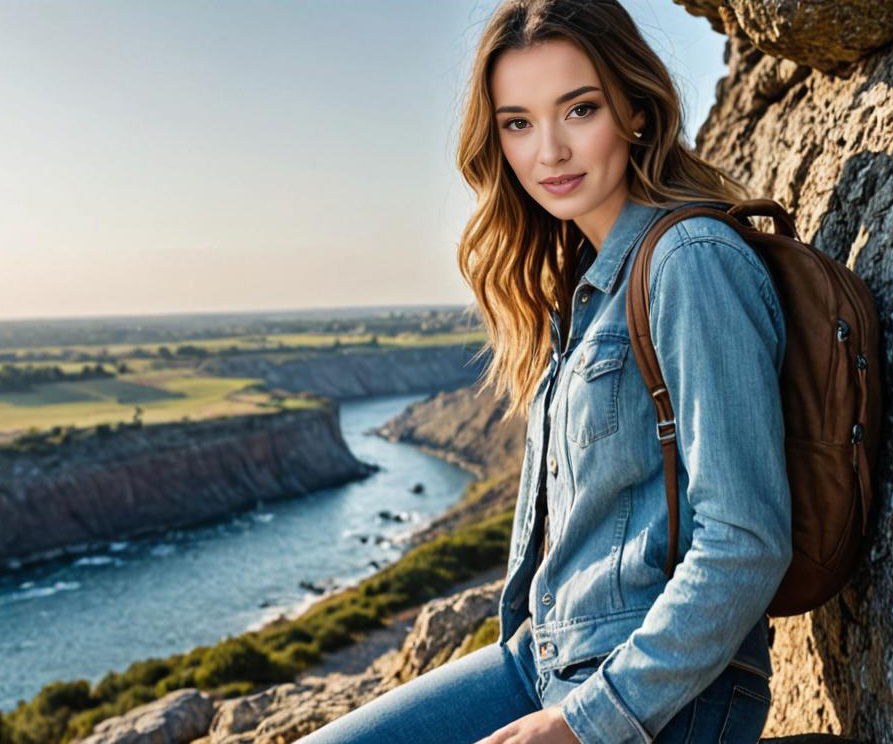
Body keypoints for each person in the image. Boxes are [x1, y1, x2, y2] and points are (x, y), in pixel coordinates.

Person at [294, 0, 792, 742]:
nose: (549, 151)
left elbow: (746, 540)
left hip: (662, 691)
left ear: (638, 112)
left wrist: (580, 724)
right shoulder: (587, 284)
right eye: (517, 122)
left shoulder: (690, 262)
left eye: (579, 109)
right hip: (542, 658)